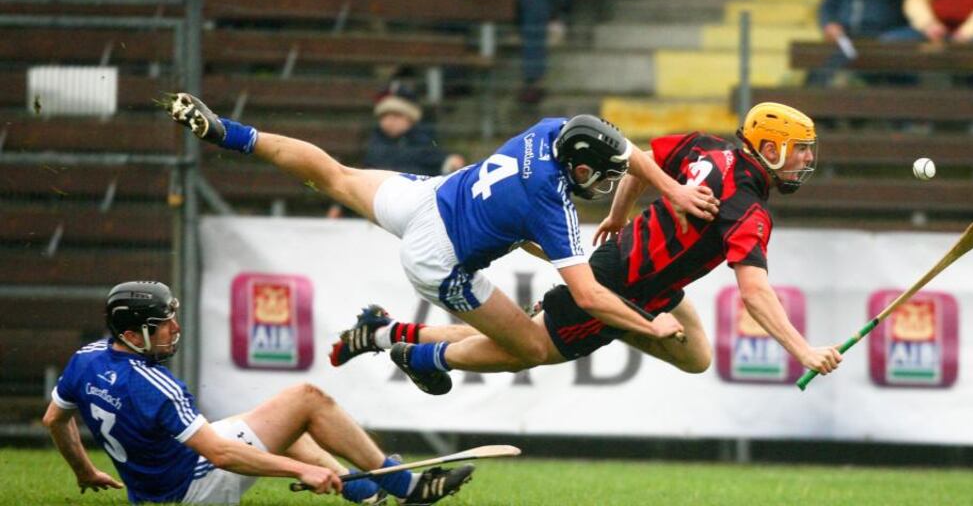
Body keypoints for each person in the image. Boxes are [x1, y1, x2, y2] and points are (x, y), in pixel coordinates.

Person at [164, 92, 720, 396]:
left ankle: (231, 134)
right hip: (438, 261)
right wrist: (652, 327)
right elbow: (593, 297)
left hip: (428, 199)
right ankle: (421, 354)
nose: (602, 186)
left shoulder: (552, 128)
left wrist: (671, 190)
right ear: (577, 166)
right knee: (529, 346)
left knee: (332, 174)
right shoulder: (551, 204)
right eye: (597, 176)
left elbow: (625, 154)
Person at [332, 103, 844, 382]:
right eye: (799, 152)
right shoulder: (748, 210)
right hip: (619, 283)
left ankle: (384, 332)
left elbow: (636, 163)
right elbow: (755, 294)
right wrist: (802, 350)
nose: (805, 161)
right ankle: (405, 346)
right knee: (523, 352)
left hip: (650, 283)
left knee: (697, 359)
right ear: (770, 148)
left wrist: (620, 217)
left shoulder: (705, 145)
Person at [42, 281, 475, 505]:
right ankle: (407, 487)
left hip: (153, 488)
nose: (174, 329)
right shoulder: (156, 384)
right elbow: (222, 456)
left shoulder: (87, 359)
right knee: (307, 399)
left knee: (288, 422)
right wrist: (298, 471)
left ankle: (365, 492)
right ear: (134, 333)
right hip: (191, 489)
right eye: (163, 325)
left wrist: (84, 471)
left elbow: (54, 420)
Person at [363, 81, 465, 176]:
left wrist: (448, 161)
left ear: (410, 119)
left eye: (396, 115)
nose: (389, 121)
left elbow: (433, 157)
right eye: (384, 116)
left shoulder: (423, 139)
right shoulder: (375, 142)